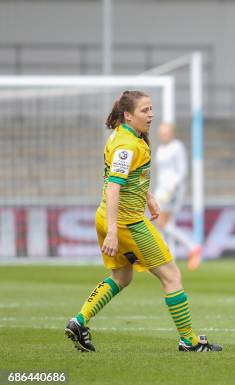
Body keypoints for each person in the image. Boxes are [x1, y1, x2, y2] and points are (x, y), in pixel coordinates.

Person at [64, 90, 222, 353]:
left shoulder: (122, 135)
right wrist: (114, 233)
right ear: (128, 115)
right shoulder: (128, 145)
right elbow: (113, 187)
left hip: (106, 216)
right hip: (128, 224)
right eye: (145, 110)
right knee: (172, 276)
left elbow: (124, 178)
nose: (151, 115)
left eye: (151, 109)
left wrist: (147, 196)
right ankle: (189, 341)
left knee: (122, 277)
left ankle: (79, 321)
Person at [154, 122, 203, 271]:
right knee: (166, 225)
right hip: (161, 189)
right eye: (161, 132)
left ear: (172, 133)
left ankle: (192, 247)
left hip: (172, 190)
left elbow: (182, 171)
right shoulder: (160, 149)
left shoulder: (177, 147)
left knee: (161, 223)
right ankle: (170, 258)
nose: (164, 134)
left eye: (166, 132)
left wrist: (173, 188)